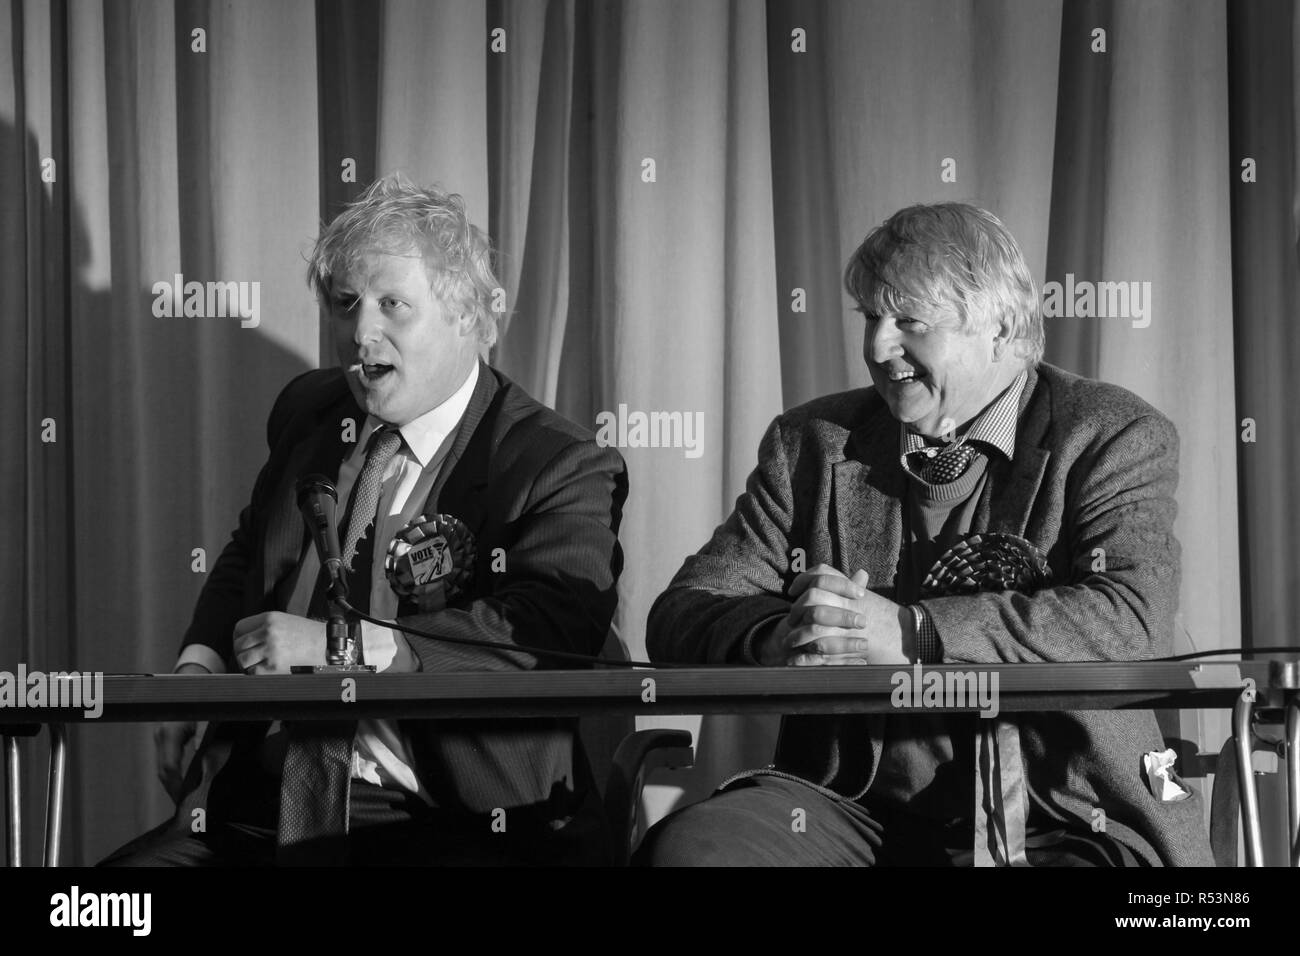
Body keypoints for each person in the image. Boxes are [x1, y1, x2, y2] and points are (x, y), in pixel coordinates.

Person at [639, 202, 1213, 867]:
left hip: (1066, 814)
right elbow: (682, 615)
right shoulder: (813, 446)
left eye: (908, 321)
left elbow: (1131, 619)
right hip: (848, 809)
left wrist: (913, 636)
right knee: (696, 851)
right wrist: (790, 633)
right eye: (870, 318)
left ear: (997, 326)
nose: (878, 348)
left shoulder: (1109, 434)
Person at [103, 173, 627, 866]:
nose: (361, 331)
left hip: (448, 817)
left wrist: (342, 648)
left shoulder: (558, 464)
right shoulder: (311, 413)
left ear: (467, 315)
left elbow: (547, 628)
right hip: (265, 802)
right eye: (347, 304)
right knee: (88, 913)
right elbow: (251, 552)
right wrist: (196, 668)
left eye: (392, 305)